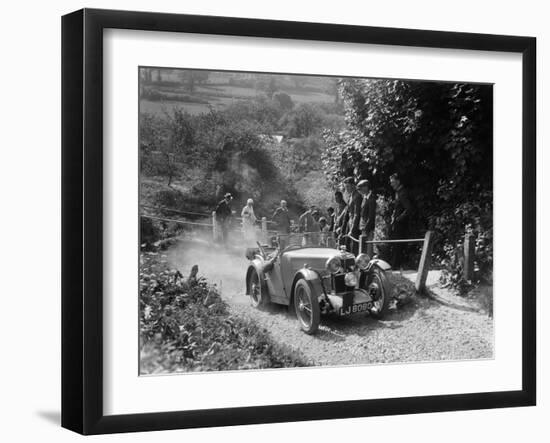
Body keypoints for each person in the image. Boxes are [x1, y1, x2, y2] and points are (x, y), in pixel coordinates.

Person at [389, 173, 412, 268]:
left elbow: (409, 209)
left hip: (400, 224)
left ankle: (396, 266)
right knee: (395, 245)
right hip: (396, 223)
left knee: (398, 246)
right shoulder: (398, 192)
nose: (391, 184)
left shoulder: (402, 193)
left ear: (398, 181)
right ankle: (396, 265)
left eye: (393, 182)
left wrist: (399, 218)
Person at [357, 179, 377, 257]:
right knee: (363, 248)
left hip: (368, 228)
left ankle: (368, 265)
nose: (360, 191)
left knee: (368, 249)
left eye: (360, 189)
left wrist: (366, 228)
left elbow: (371, 216)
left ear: (366, 188)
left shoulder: (371, 199)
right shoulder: (365, 198)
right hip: (363, 227)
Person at [343, 177, 362, 255]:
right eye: (345, 187)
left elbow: (357, 214)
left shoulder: (357, 196)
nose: (346, 189)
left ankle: (355, 265)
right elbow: (348, 213)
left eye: (348, 186)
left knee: (354, 247)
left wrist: (353, 228)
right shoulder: (351, 196)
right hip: (350, 223)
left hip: (355, 225)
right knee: (348, 246)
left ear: (353, 185)